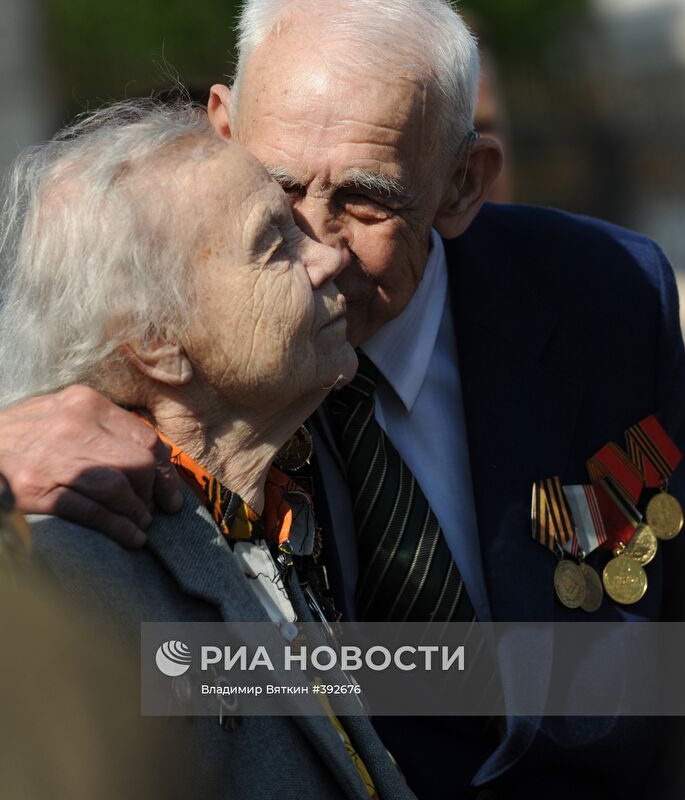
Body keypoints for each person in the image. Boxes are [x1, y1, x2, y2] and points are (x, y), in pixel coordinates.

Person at [2, 0, 685, 799]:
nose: (322, 243)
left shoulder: (598, 291)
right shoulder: (154, 341)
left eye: (367, 200)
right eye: (278, 189)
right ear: (221, 128)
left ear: (463, 182)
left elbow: (671, 639)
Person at [0, 98, 413, 800]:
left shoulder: (267, 512)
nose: (328, 254)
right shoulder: (69, 571)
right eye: (274, 242)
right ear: (157, 344)